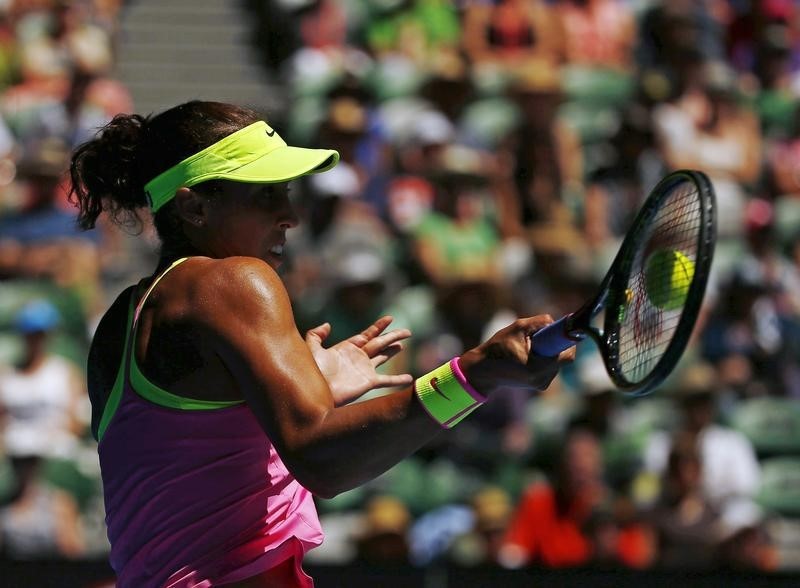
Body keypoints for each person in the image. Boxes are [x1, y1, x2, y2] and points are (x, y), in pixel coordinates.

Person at [68, 100, 573, 587]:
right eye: (265, 194)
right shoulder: (237, 282)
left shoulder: (122, 320)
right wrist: (475, 374)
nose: (290, 214)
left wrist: (302, 388)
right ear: (195, 206)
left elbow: (186, 455)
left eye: (286, 191)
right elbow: (322, 461)